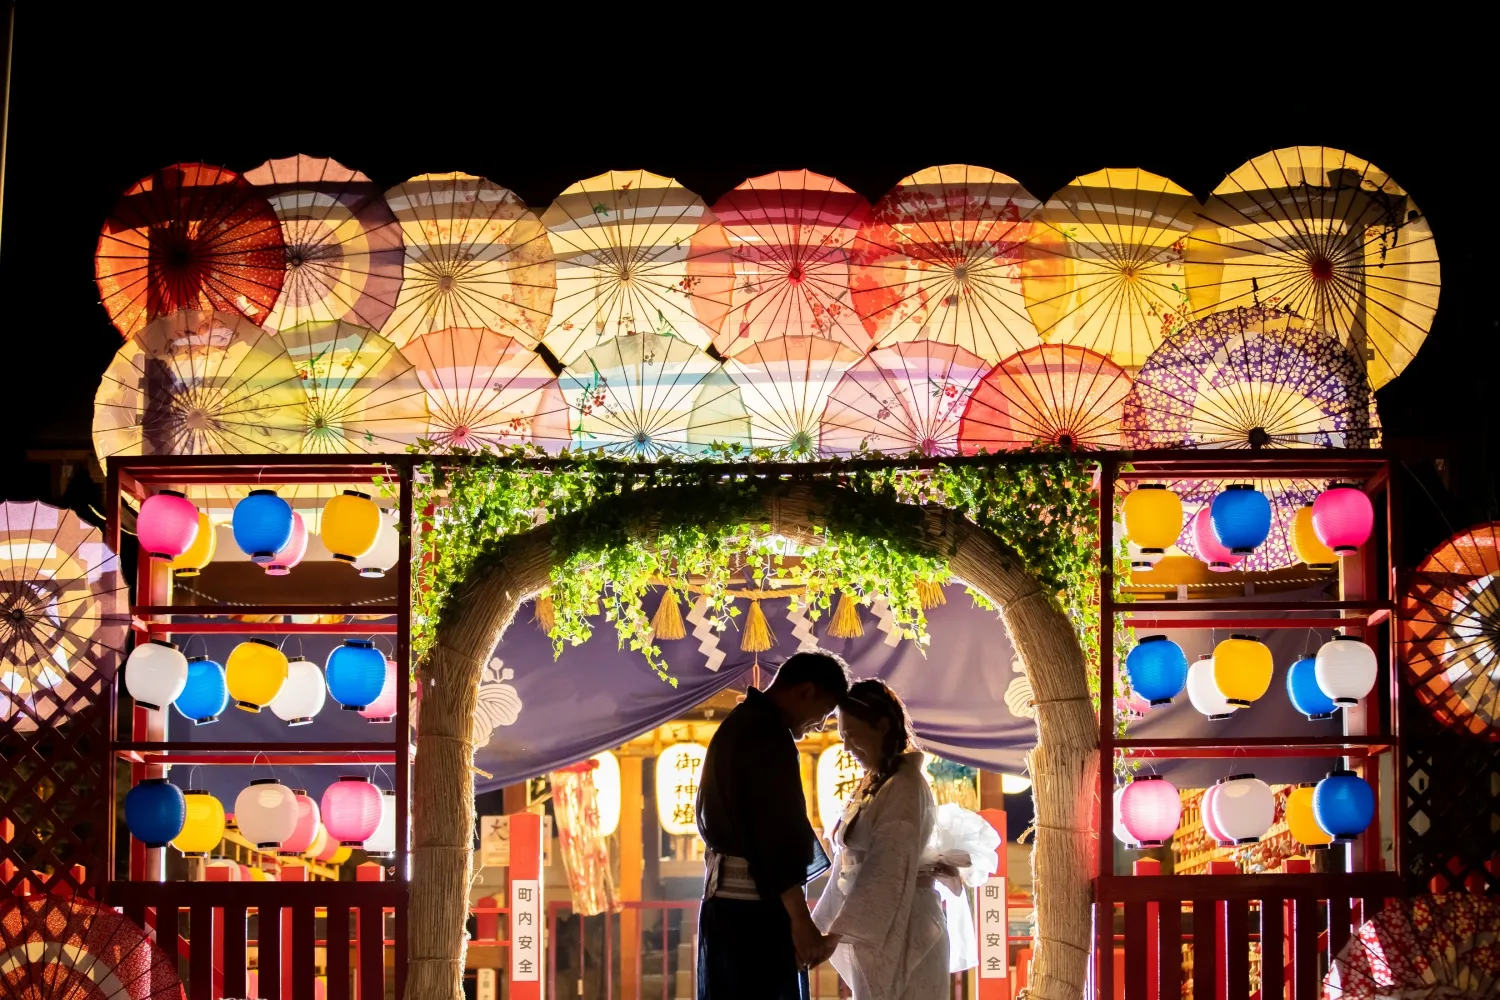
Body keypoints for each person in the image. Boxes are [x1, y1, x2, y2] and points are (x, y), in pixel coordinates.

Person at [696, 650, 851, 999]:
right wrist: (800, 918)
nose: (820, 725)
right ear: (806, 691)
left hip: (727, 907)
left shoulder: (741, 722)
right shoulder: (766, 733)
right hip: (754, 914)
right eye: (824, 713)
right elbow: (775, 833)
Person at [812, 679, 949, 999]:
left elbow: (886, 865)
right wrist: (820, 928)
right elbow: (847, 869)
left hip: (905, 925)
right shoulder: (877, 783)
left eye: (851, 736)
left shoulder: (905, 785)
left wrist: (837, 932)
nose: (846, 747)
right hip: (876, 927)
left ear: (883, 726)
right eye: (842, 737)